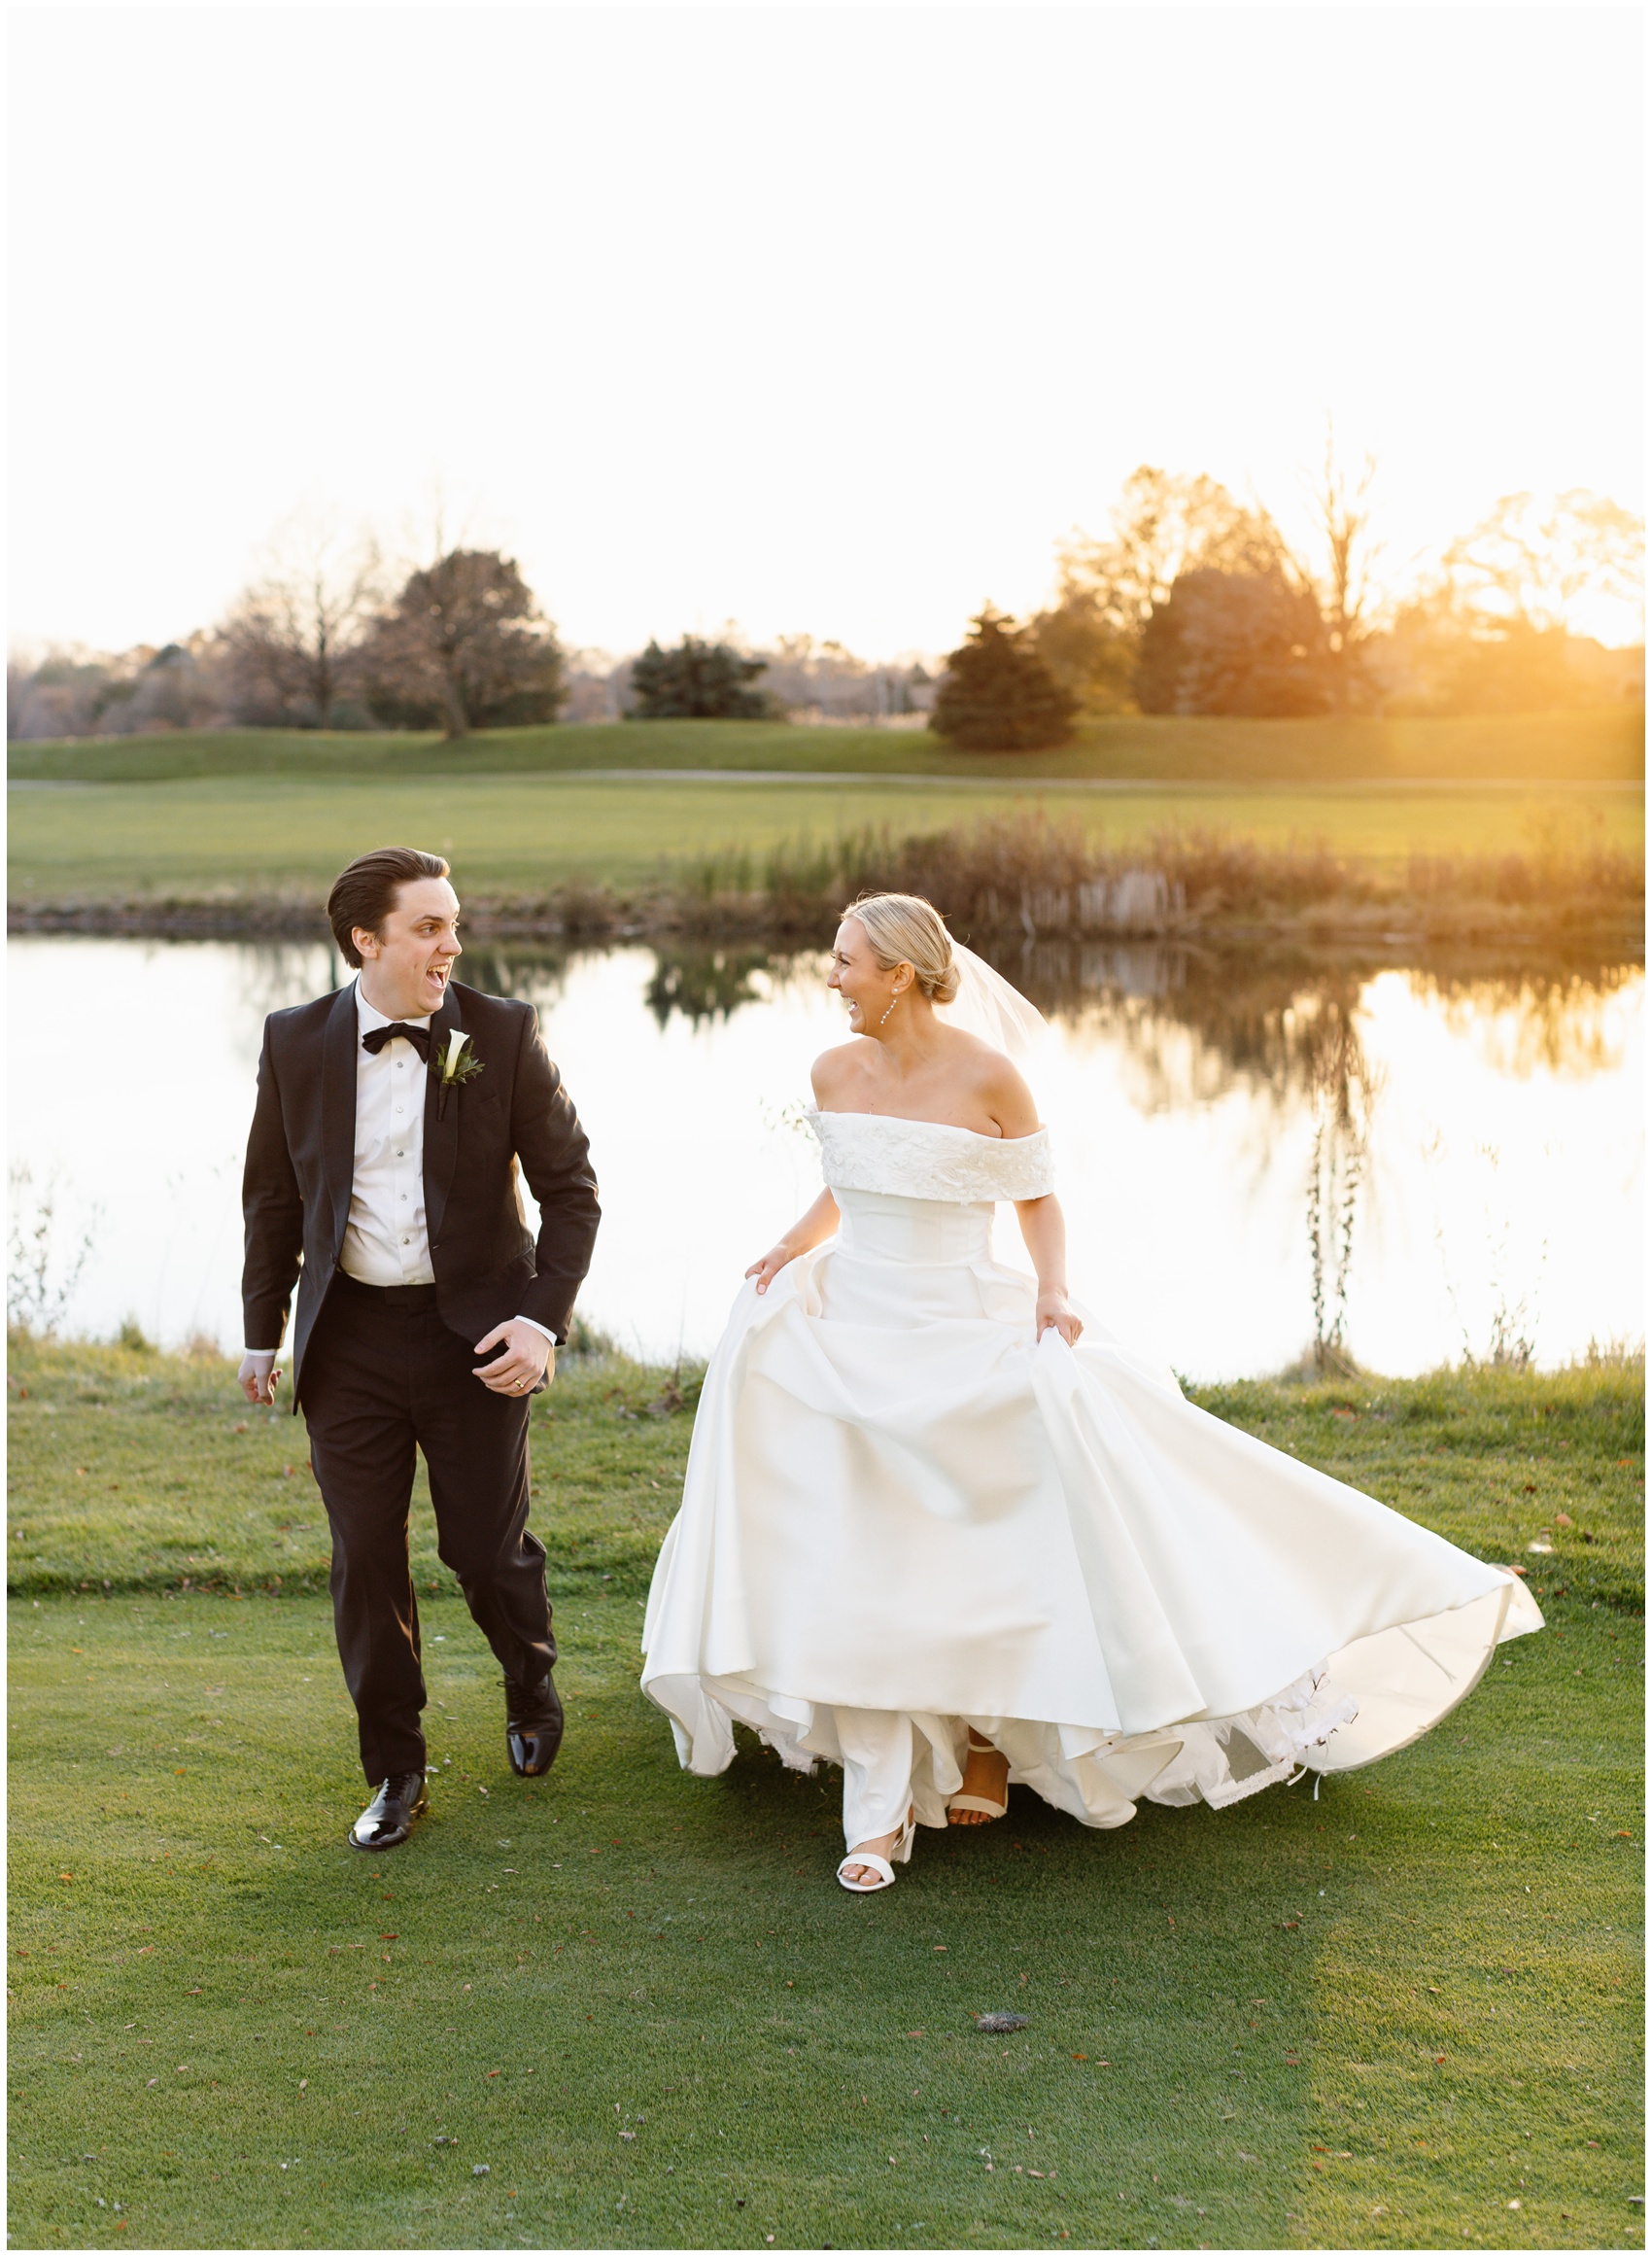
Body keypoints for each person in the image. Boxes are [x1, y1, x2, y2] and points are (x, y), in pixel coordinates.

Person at [641, 891, 1542, 1892]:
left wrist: (1053, 1292)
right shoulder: (830, 1070)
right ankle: (881, 1804)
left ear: (898, 974)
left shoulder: (991, 1078)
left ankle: (985, 1732)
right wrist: (787, 1247)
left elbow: (1035, 1199)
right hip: (847, 1326)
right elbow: (848, 1179)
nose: (830, 976)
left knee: (1015, 1509)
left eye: (845, 960)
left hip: (956, 1317)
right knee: (859, 1542)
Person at [239, 847, 600, 1853]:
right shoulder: (295, 1041)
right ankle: (394, 1770)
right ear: (367, 939)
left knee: (481, 1552)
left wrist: (540, 1320)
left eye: (452, 925)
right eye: (428, 927)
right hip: (346, 1338)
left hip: (476, 1337)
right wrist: (259, 1332)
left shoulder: (502, 1035)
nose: (451, 945)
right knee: (365, 1557)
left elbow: (572, 1193)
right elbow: (271, 1195)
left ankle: (530, 1679)